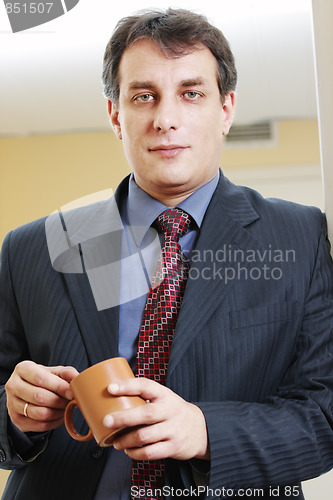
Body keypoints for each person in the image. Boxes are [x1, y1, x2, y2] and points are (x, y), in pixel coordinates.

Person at [1, 7, 333, 500]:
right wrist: (14, 414)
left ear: (225, 110)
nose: (165, 119)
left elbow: (324, 412)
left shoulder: (301, 236)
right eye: (143, 96)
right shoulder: (29, 249)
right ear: (117, 115)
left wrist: (203, 430)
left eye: (191, 93)